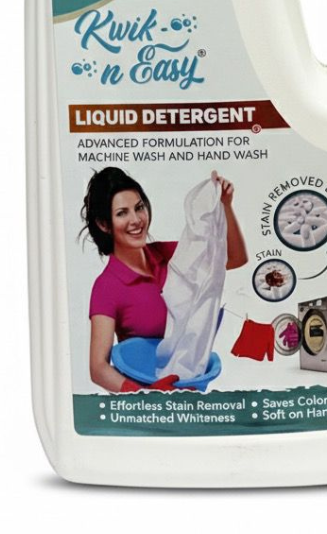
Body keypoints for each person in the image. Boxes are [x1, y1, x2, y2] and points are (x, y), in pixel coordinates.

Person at [81, 166, 247, 392]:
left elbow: (235, 258)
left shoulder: (171, 256)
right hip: (147, 395)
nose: (136, 220)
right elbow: (98, 368)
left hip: (190, 387)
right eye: (122, 213)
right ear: (104, 224)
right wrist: (146, 395)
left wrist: (225, 206)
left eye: (139, 208)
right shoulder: (107, 286)